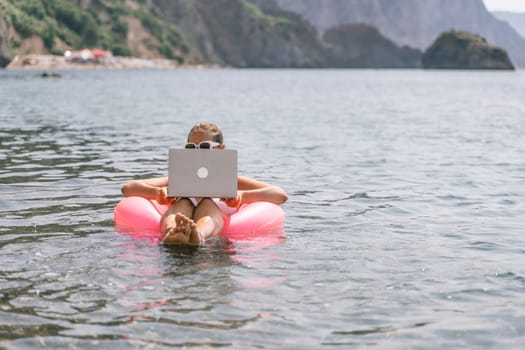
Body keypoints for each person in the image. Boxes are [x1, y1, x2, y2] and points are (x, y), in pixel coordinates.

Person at [121, 122, 288, 245]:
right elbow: (128, 188)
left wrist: (242, 195)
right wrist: (157, 194)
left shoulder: (230, 179)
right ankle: (172, 232)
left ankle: (198, 235)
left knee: (209, 206)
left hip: (212, 215)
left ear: (221, 149)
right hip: (182, 209)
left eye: (205, 146)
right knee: (182, 203)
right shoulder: (179, 178)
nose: (198, 151)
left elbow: (279, 195)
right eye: (192, 147)